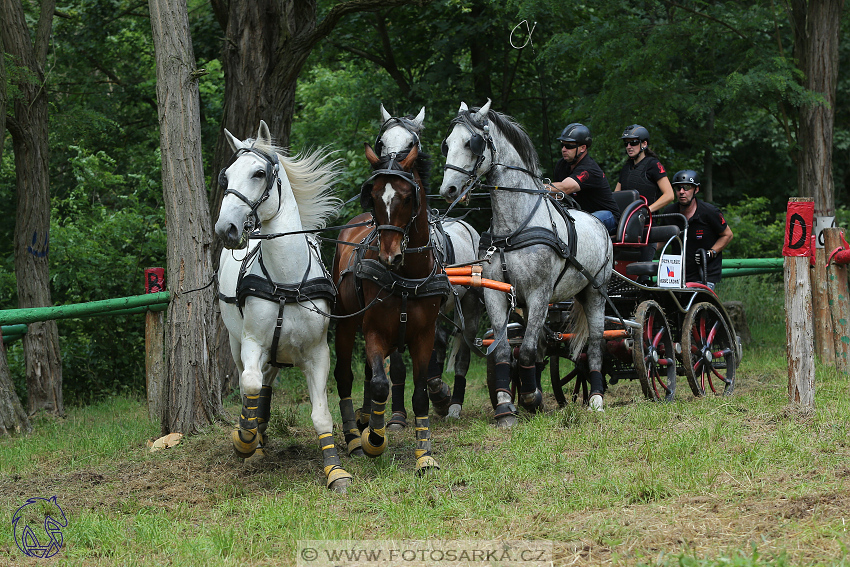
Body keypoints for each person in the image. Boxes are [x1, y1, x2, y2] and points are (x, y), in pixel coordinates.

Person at [663, 169, 733, 290]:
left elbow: (727, 235)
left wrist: (711, 253)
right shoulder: (669, 213)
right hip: (677, 274)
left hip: (705, 274)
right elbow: (660, 241)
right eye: (678, 188)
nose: (682, 192)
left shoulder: (709, 212)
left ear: (696, 189)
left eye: (686, 188)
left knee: (696, 304)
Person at [548, 123, 620, 233]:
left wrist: (533, 185)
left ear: (582, 148)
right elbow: (557, 195)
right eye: (562, 145)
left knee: (582, 224)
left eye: (569, 146)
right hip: (580, 215)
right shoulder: (561, 165)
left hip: (607, 216)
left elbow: (565, 188)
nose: (563, 149)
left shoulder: (589, 169)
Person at [614, 124, 675, 213]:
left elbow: (669, 195)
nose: (628, 147)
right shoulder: (626, 167)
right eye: (626, 143)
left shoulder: (653, 164)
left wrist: (646, 211)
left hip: (646, 222)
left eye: (633, 143)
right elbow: (616, 196)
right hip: (625, 221)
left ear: (644, 144)